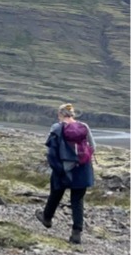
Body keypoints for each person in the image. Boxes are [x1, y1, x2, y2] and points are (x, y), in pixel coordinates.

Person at [37, 103, 96, 244]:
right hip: (82, 168)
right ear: (73, 114)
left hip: (63, 168)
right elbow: (93, 147)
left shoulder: (56, 127)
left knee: (56, 193)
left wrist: (59, 167)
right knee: (77, 200)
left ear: (60, 114)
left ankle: (47, 218)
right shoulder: (84, 127)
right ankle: (76, 233)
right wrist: (80, 160)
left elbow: (51, 151)